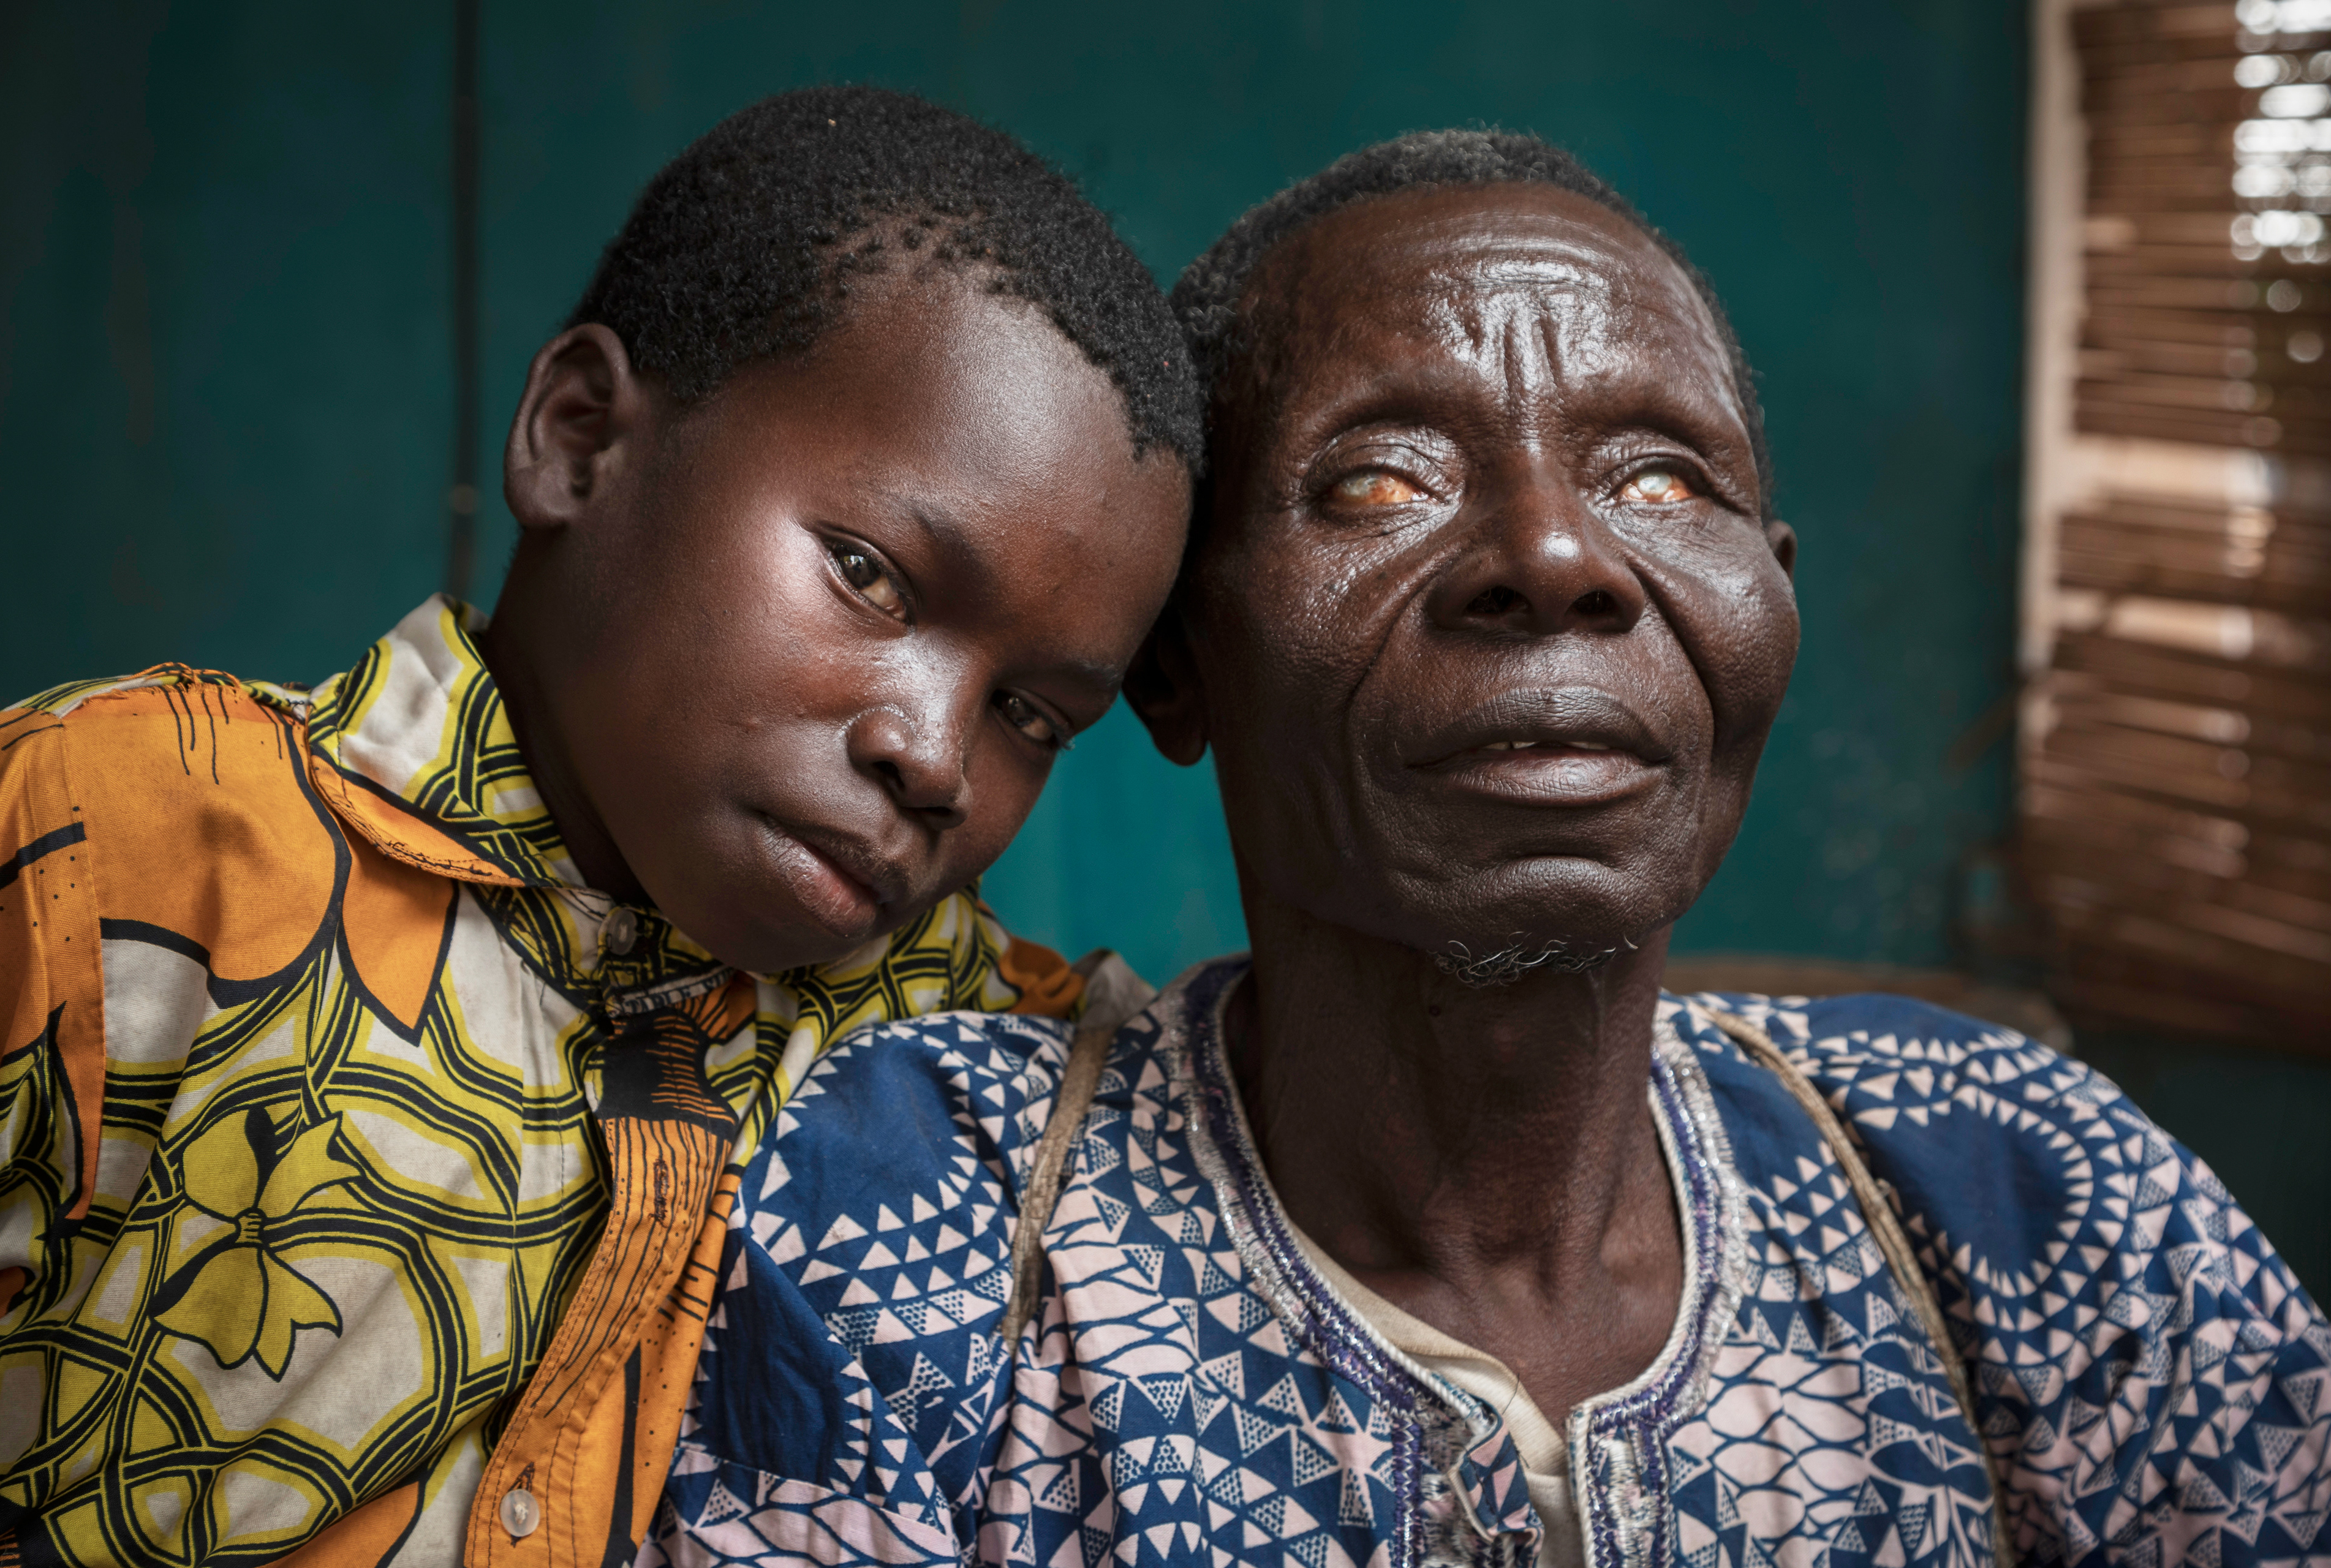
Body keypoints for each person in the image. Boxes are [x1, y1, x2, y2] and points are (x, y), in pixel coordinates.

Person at [654, 132, 2331, 1568]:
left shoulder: (2021, 1188)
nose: (1555, 555)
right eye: (1380, 484)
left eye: (1665, 481)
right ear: (1179, 663)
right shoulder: (918, 1217)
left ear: (1777, 604)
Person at [0, 86, 1200, 1567]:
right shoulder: (113, 851)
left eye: (1032, 717)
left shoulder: (996, 1081)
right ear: (579, 440)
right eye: (872, 576)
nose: (934, 755)